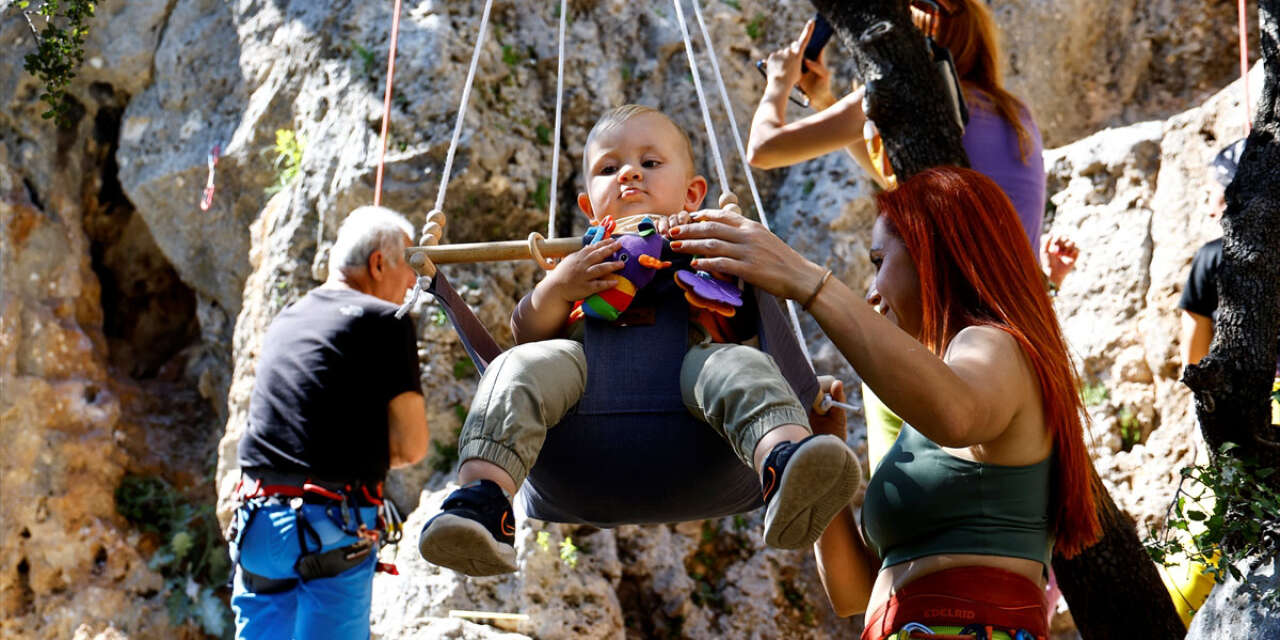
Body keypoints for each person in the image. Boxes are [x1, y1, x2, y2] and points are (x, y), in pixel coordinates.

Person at [417, 104, 860, 577]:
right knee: (516, 370)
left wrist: (731, 259)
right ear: (588, 204)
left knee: (742, 368)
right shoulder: (581, 261)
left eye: (650, 163)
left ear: (692, 194)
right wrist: (558, 288)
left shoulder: (708, 247)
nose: (629, 173)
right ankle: (483, 501)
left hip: (695, 382)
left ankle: (783, 460)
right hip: (580, 386)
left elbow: (757, 324)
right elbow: (526, 335)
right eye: (609, 169)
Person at [665, 167, 1101, 638]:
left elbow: (957, 414)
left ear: (932, 255)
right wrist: (822, 468)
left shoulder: (994, 346)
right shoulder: (932, 408)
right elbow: (853, 593)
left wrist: (808, 282)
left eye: (878, 261)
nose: (872, 292)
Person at [227, 206, 429, 640]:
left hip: (258, 524)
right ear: (379, 263)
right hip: (332, 526)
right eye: (409, 272)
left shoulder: (285, 319)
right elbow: (412, 447)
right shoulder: (387, 321)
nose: (412, 287)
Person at [747, 1, 1046, 251]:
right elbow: (901, 179)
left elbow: (763, 150)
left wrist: (778, 83)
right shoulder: (1015, 113)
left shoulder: (904, 88)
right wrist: (825, 100)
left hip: (964, 307)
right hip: (1017, 304)